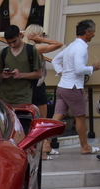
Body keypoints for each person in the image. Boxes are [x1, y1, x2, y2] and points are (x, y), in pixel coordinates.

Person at [52, 19, 100, 155]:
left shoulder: (71, 46)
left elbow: (56, 60)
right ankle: (85, 147)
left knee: (57, 117)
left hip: (62, 86)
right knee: (80, 117)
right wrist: (93, 68)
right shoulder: (81, 48)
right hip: (73, 87)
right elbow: (79, 69)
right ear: (87, 32)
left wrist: (62, 72)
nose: (94, 34)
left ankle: (45, 145)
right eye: (94, 31)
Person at [22, 24, 63, 157]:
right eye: (42, 34)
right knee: (42, 121)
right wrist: (42, 40)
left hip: (25, 88)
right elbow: (59, 44)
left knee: (28, 121)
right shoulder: (37, 49)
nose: (44, 37)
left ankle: (44, 147)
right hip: (38, 87)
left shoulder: (22, 49)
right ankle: (43, 151)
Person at [0, 25, 42, 107]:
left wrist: (21, 75)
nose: (12, 45)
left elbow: (38, 74)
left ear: (20, 35)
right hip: (4, 97)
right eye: (9, 42)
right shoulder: (3, 53)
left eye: (14, 41)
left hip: (23, 97)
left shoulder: (31, 50)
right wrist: (3, 75)